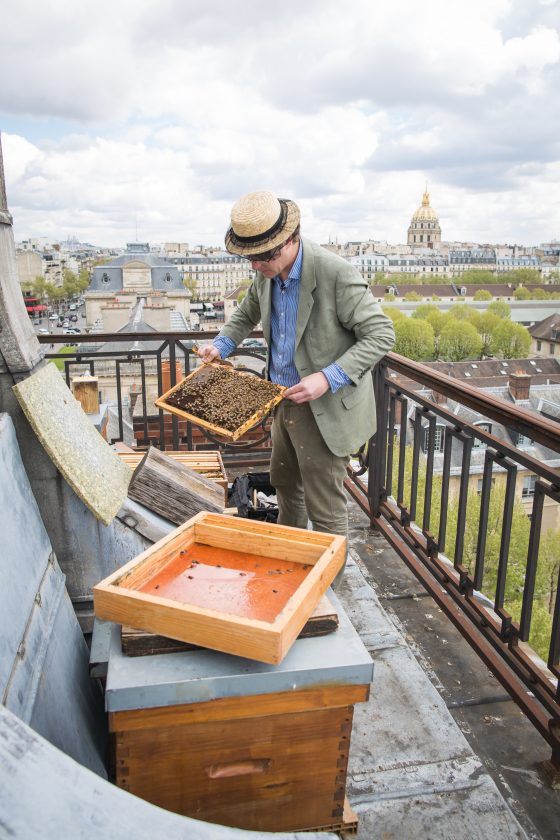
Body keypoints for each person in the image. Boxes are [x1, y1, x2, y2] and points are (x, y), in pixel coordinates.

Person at [198, 191, 395, 578]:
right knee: (286, 487)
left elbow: (381, 335)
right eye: (250, 258)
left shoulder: (334, 272)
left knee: (326, 510)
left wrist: (327, 377)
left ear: (291, 239)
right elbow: (244, 315)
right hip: (282, 401)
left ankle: (326, 591)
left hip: (326, 409)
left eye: (264, 256)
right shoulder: (265, 273)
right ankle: (290, 570)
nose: (256, 265)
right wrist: (220, 345)